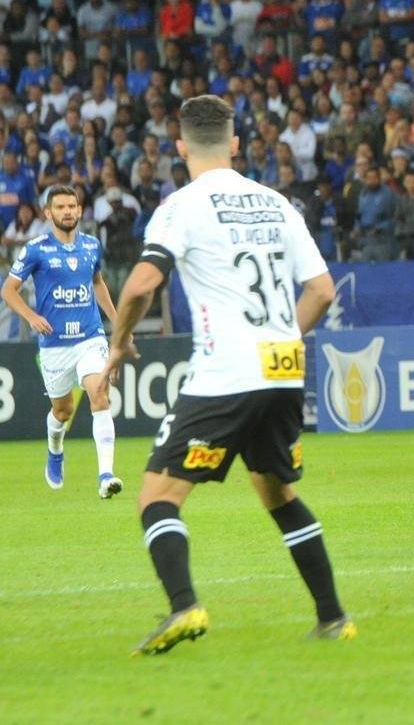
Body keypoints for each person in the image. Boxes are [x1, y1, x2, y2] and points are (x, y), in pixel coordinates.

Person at [100, 95, 354, 655]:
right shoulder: (278, 204)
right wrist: (286, 338)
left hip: (226, 372)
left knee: (157, 497)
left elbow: (141, 285)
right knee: (277, 492)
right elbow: (321, 290)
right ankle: (334, 617)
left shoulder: (182, 206)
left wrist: (118, 343)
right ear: (236, 143)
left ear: (180, 145)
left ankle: (185, 605)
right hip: (284, 368)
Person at [1, 185, 122, 498]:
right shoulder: (36, 249)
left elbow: (97, 283)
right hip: (54, 344)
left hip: (89, 335)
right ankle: (55, 450)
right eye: (61, 207)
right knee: (63, 410)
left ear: (80, 211)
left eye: (72, 206)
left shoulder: (93, 246)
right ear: (48, 213)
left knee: (98, 391)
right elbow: (8, 291)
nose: (68, 211)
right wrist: (31, 317)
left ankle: (105, 475)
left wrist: (119, 321)